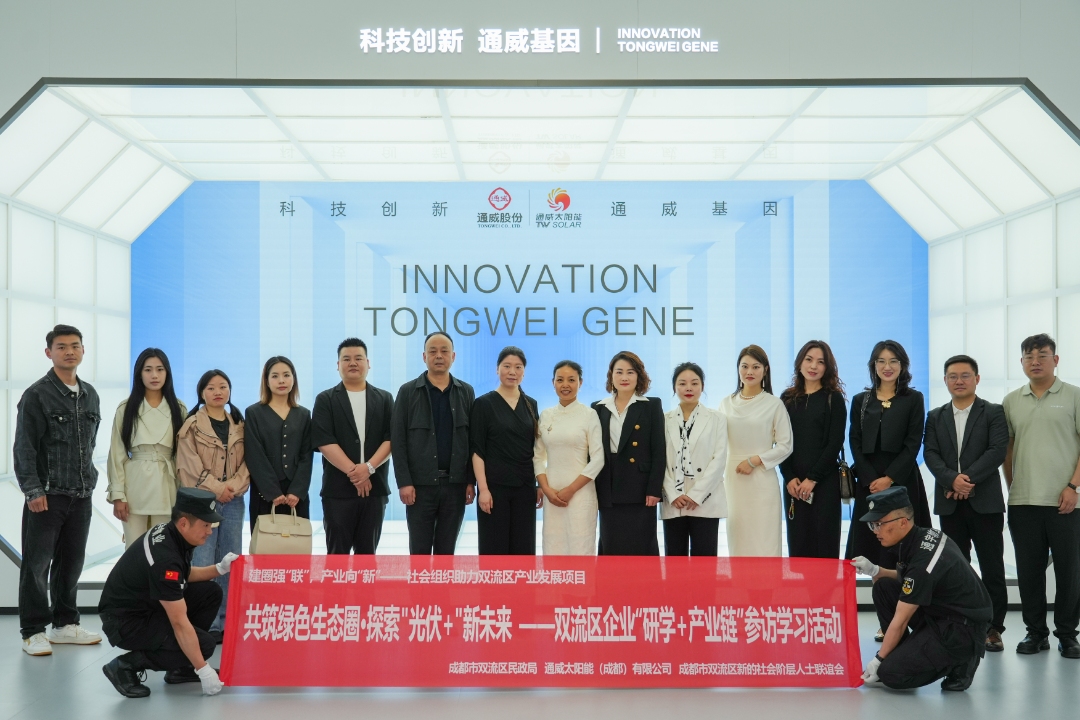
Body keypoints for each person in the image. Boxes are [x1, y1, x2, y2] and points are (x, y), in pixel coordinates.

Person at [14, 324, 103, 655]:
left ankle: (65, 625)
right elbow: (24, 448)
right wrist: (33, 491)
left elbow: (89, 446)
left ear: (83, 350)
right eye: (62, 346)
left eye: (75, 345)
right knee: (37, 566)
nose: (69, 351)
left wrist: (89, 482)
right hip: (47, 495)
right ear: (49, 352)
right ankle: (33, 631)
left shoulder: (90, 394)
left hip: (81, 495)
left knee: (71, 564)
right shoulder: (37, 395)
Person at [98, 487, 237, 698]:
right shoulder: (165, 558)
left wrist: (219, 569)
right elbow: (179, 622)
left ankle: (180, 667)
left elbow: (182, 574)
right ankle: (125, 665)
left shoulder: (171, 533)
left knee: (210, 592)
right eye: (205, 525)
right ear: (184, 523)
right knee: (204, 646)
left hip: (146, 605)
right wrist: (202, 668)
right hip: (126, 622)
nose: (210, 531)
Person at [853, 486, 991, 692]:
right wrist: (875, 570)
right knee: (883, 586)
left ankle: (962, 661)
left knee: (890, 674)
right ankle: (906, 652)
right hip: (943, 611)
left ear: (902, 522)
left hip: (961, 629)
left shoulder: (923, 561)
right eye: (873, 525)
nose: (875, 531)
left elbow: (901, 619)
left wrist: (879, 659)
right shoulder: (923, 536)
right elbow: (910, 579)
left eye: (879, 524)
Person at [923, 354, 1009, 652]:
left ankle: (993, 628)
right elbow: (930, 454)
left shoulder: (993, 412)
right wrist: (952, 480)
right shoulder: (935, 416)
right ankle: (960, 624)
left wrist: (965, 480)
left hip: (985, 503)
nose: (958, 381)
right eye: (952, 376)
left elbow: (997, 450)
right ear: (945, 381)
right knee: (955, 569)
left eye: (965, 375)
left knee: (992, 567)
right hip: (950, 504)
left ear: (977, 378)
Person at [1002, 333, 1080, 658]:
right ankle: (1035, 633)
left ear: (1055, 360)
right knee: (1029, 572)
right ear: (1021, 362)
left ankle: (1068, 634)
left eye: (1042, 355)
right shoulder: (1011, 401)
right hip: (1023, 502)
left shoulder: (1074, 396)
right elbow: (1008, 449)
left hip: (1066, 502)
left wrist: (1073, 487)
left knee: (1069, 572)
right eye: (1029, 357)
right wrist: (1013, 486)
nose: (1035, 362)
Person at [176, 369, 249, 643]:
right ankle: (205, 622)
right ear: (201, 393)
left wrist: (232, 488)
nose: (218, 392)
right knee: (203, 559)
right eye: (211, 387)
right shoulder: (192, 425)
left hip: (234, 501)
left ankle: (228, 620)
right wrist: (219, 489)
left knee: (231, 558)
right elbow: (188, 466)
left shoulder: (240, 424)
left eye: (223, 386)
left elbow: (248, 464)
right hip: (201, 502)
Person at [846, 340, 932, 569]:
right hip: (869, 481)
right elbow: (854, 440)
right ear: (873, 365)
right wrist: (870, 479)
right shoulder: (860, 400)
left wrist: (890, 478)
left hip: (903, 480)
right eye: (881, 361)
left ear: (902, 365)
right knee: (869, 542)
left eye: (893, 361)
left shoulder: (914, 399)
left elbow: (913, 442)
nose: (887, 367)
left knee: (905, 545)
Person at [392, 331, 476, 555]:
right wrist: (404, 482)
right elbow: (398, 440)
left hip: (455, 485)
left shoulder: (466, 392)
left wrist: (470, 481)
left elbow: (472, 441)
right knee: (419, 551)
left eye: (444, 351)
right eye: (433, 351)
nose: (439, 356)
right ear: (424, 356)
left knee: (446, 552)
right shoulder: (408, 392)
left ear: (453, 356)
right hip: (420, 487)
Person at [312, 338, 393, 554]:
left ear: (368, 363)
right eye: (346, 359)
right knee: (337, 556)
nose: (353, 363)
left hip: (374, 491)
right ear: (338, 365)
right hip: (338, 492)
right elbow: (325, 441)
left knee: (367, 556)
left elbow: (391, 439)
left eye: (358, 358)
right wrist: (356, 473)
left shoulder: (385, 399)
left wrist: (369, 468)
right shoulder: (325, 399)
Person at [107, 348, 187, 549]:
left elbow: (184, 456)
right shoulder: (126, 408)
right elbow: (116, 453)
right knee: (134, 548)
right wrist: (118, 495)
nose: (154, 375)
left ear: (167, 373)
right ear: (139, 373)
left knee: (164, 548)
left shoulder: (179, 408)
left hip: (167, 485)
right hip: (134, 486)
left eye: (160, 369)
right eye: (148, 370)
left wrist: (184, 495)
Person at [718, 345, 793, 557]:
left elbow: (786, 445)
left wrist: (754, 461)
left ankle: (767, 581)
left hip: (762, 480)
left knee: (764, 541)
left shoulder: (774, 404)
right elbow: (717, 443)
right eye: (744, 366)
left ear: (765, 370)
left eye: (755, 366)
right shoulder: (726, 403)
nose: (749, 371)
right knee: (738, 539)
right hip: (733, 480)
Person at [591, 351, 665, 556]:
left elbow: (659, 450)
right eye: (619, 372)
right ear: (611, 376)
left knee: (642, 543)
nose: (624, 377)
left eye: (630, 372)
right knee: (611, 542)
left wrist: (654, 489)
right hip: (609, 486)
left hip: (640, 488)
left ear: (639, 376)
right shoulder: (598, 408)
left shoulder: (651, 405)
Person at [779, 340, 847, 559]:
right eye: (809, 360)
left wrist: (813, 479)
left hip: (824, 483)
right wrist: (789, 477)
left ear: (828, 367)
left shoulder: (834, 398)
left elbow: (835, 442)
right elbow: (780, 442)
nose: (814, 366)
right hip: (794, 485)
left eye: (821, 362)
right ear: (800, 363)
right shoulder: (787, 398)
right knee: (799, 545)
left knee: (824, 546)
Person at [472, 346, 543, 555]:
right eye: (507, 366)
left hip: (525, 488)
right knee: (494, 549)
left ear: (524, 372)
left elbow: (537, 449)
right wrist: (483, 490)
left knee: (524, 549)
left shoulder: (531, 404)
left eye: (518, 367)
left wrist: (538, 484)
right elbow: (477, 451)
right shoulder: (483, 404)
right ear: (497, 369)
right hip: (494, 489)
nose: (512, 372)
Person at [534, 361, 605, 555]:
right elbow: (538, 456)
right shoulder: (546, 415)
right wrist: (546, 489)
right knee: (553, 547)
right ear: (553, 383)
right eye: (560, 380)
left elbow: (598, 459)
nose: (565, 385)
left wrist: (571, 490)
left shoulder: (589, 415)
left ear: (580, 383)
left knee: (580, 548)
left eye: (571, 380)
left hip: (580, 494)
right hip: (552, 494)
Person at [661, 362, 728, 556]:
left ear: (702, 386)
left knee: (705, 560)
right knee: (675, 560)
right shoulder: (664, 419)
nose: (688, 388)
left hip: (706, 500)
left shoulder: (717, 418)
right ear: (674, 388)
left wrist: (696, 495)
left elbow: (719, 459)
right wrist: (673, 494)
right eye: (682, 383)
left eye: (694, 383)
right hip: (674, 501)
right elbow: (659, 461)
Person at [244, 356, 313, 536]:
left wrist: (297, 491)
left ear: (294, 379)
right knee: (266, 544)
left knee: (297, 544)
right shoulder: (254, 413)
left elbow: (306, 455)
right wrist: (272, 492)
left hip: (296, 496)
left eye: (286, 375)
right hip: (264, 494)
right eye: (275, 376)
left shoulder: (304, 414)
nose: (281, 380)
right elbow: (254, 455)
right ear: (266, 381)